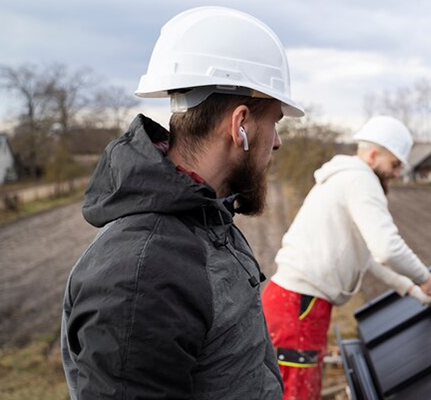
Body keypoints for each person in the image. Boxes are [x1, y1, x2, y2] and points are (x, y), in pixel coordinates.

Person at [60, 7, 304, 399]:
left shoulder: (207, 220)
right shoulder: (143, 275)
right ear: (239, 124)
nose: (277, 141)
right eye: (275, 120)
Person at [262, 115, 431, 400]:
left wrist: (411, 289)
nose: (397, 174)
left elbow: (369, 256)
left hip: (295, 302)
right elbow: (387, 248)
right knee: (297, 395)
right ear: (374, 155)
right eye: (395, 164)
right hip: (300, 307)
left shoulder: (346, 178)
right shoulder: (362, 180)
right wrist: (426, 279)